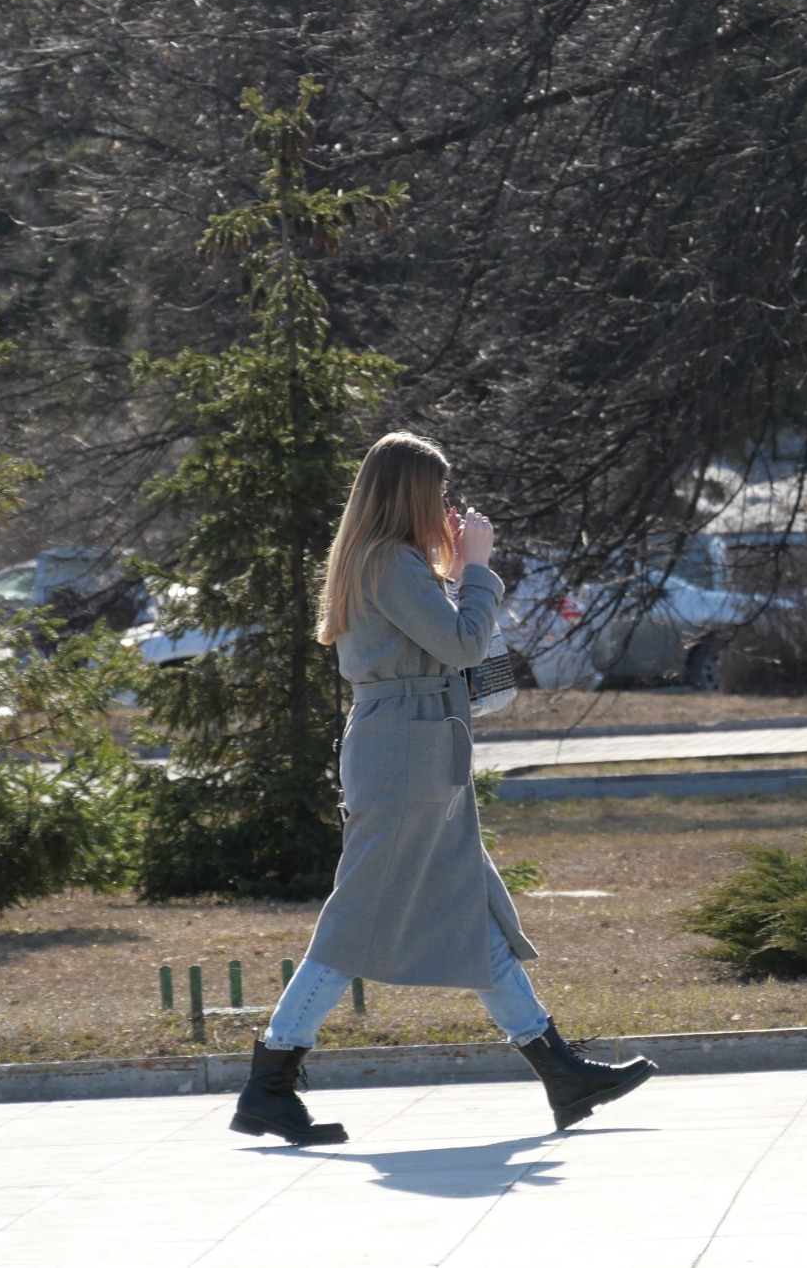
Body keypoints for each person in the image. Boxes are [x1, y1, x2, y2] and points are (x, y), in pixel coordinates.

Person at [230, 431, 655, 1146]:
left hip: (414, 748)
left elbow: (441, 642)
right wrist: (478, 569)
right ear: (411, 493)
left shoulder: (384, 560)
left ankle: (560, 1070)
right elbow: (462, 645)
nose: (448, 503)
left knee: (470, 908)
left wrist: (454, 574)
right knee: (357, 919)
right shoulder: (390, 561)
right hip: (407, 754)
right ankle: (269, 1081)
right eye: (439, 490)